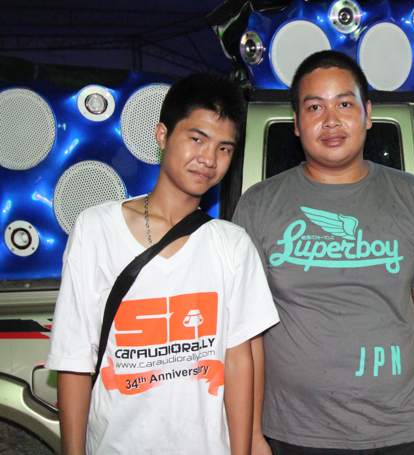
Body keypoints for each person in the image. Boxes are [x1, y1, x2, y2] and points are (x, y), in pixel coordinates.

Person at [233, 50, 414, 455]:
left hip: (403, 428)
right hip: (294, 433)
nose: (330, 120)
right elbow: (244, 335)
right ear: (296, 123)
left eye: (344, 104)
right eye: (314, 107)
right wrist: (251, 435)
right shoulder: (258, 205)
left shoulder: (411, 196)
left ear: (367, 114)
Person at [47, 73, 279, 455]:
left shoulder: (232, 244)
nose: (209, 159)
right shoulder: (96, 230)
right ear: (162, 135)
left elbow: (240, 361)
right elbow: (74, 359)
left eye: (224, 148)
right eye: (197, 139)